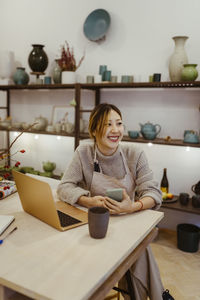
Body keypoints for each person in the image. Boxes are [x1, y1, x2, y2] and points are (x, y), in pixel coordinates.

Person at [57, 103, 174, 300]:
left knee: (138, 250)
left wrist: (132, 206)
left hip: (126, 222)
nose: (115, 130)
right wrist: (88, 201)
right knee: (139, 252)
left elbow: (153, 192)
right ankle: (158, 295)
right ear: (94, 130)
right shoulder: (84, 152)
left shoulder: (134, 154)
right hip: (94, 226)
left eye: (119, 124)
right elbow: (64, 186)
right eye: (107, 124)